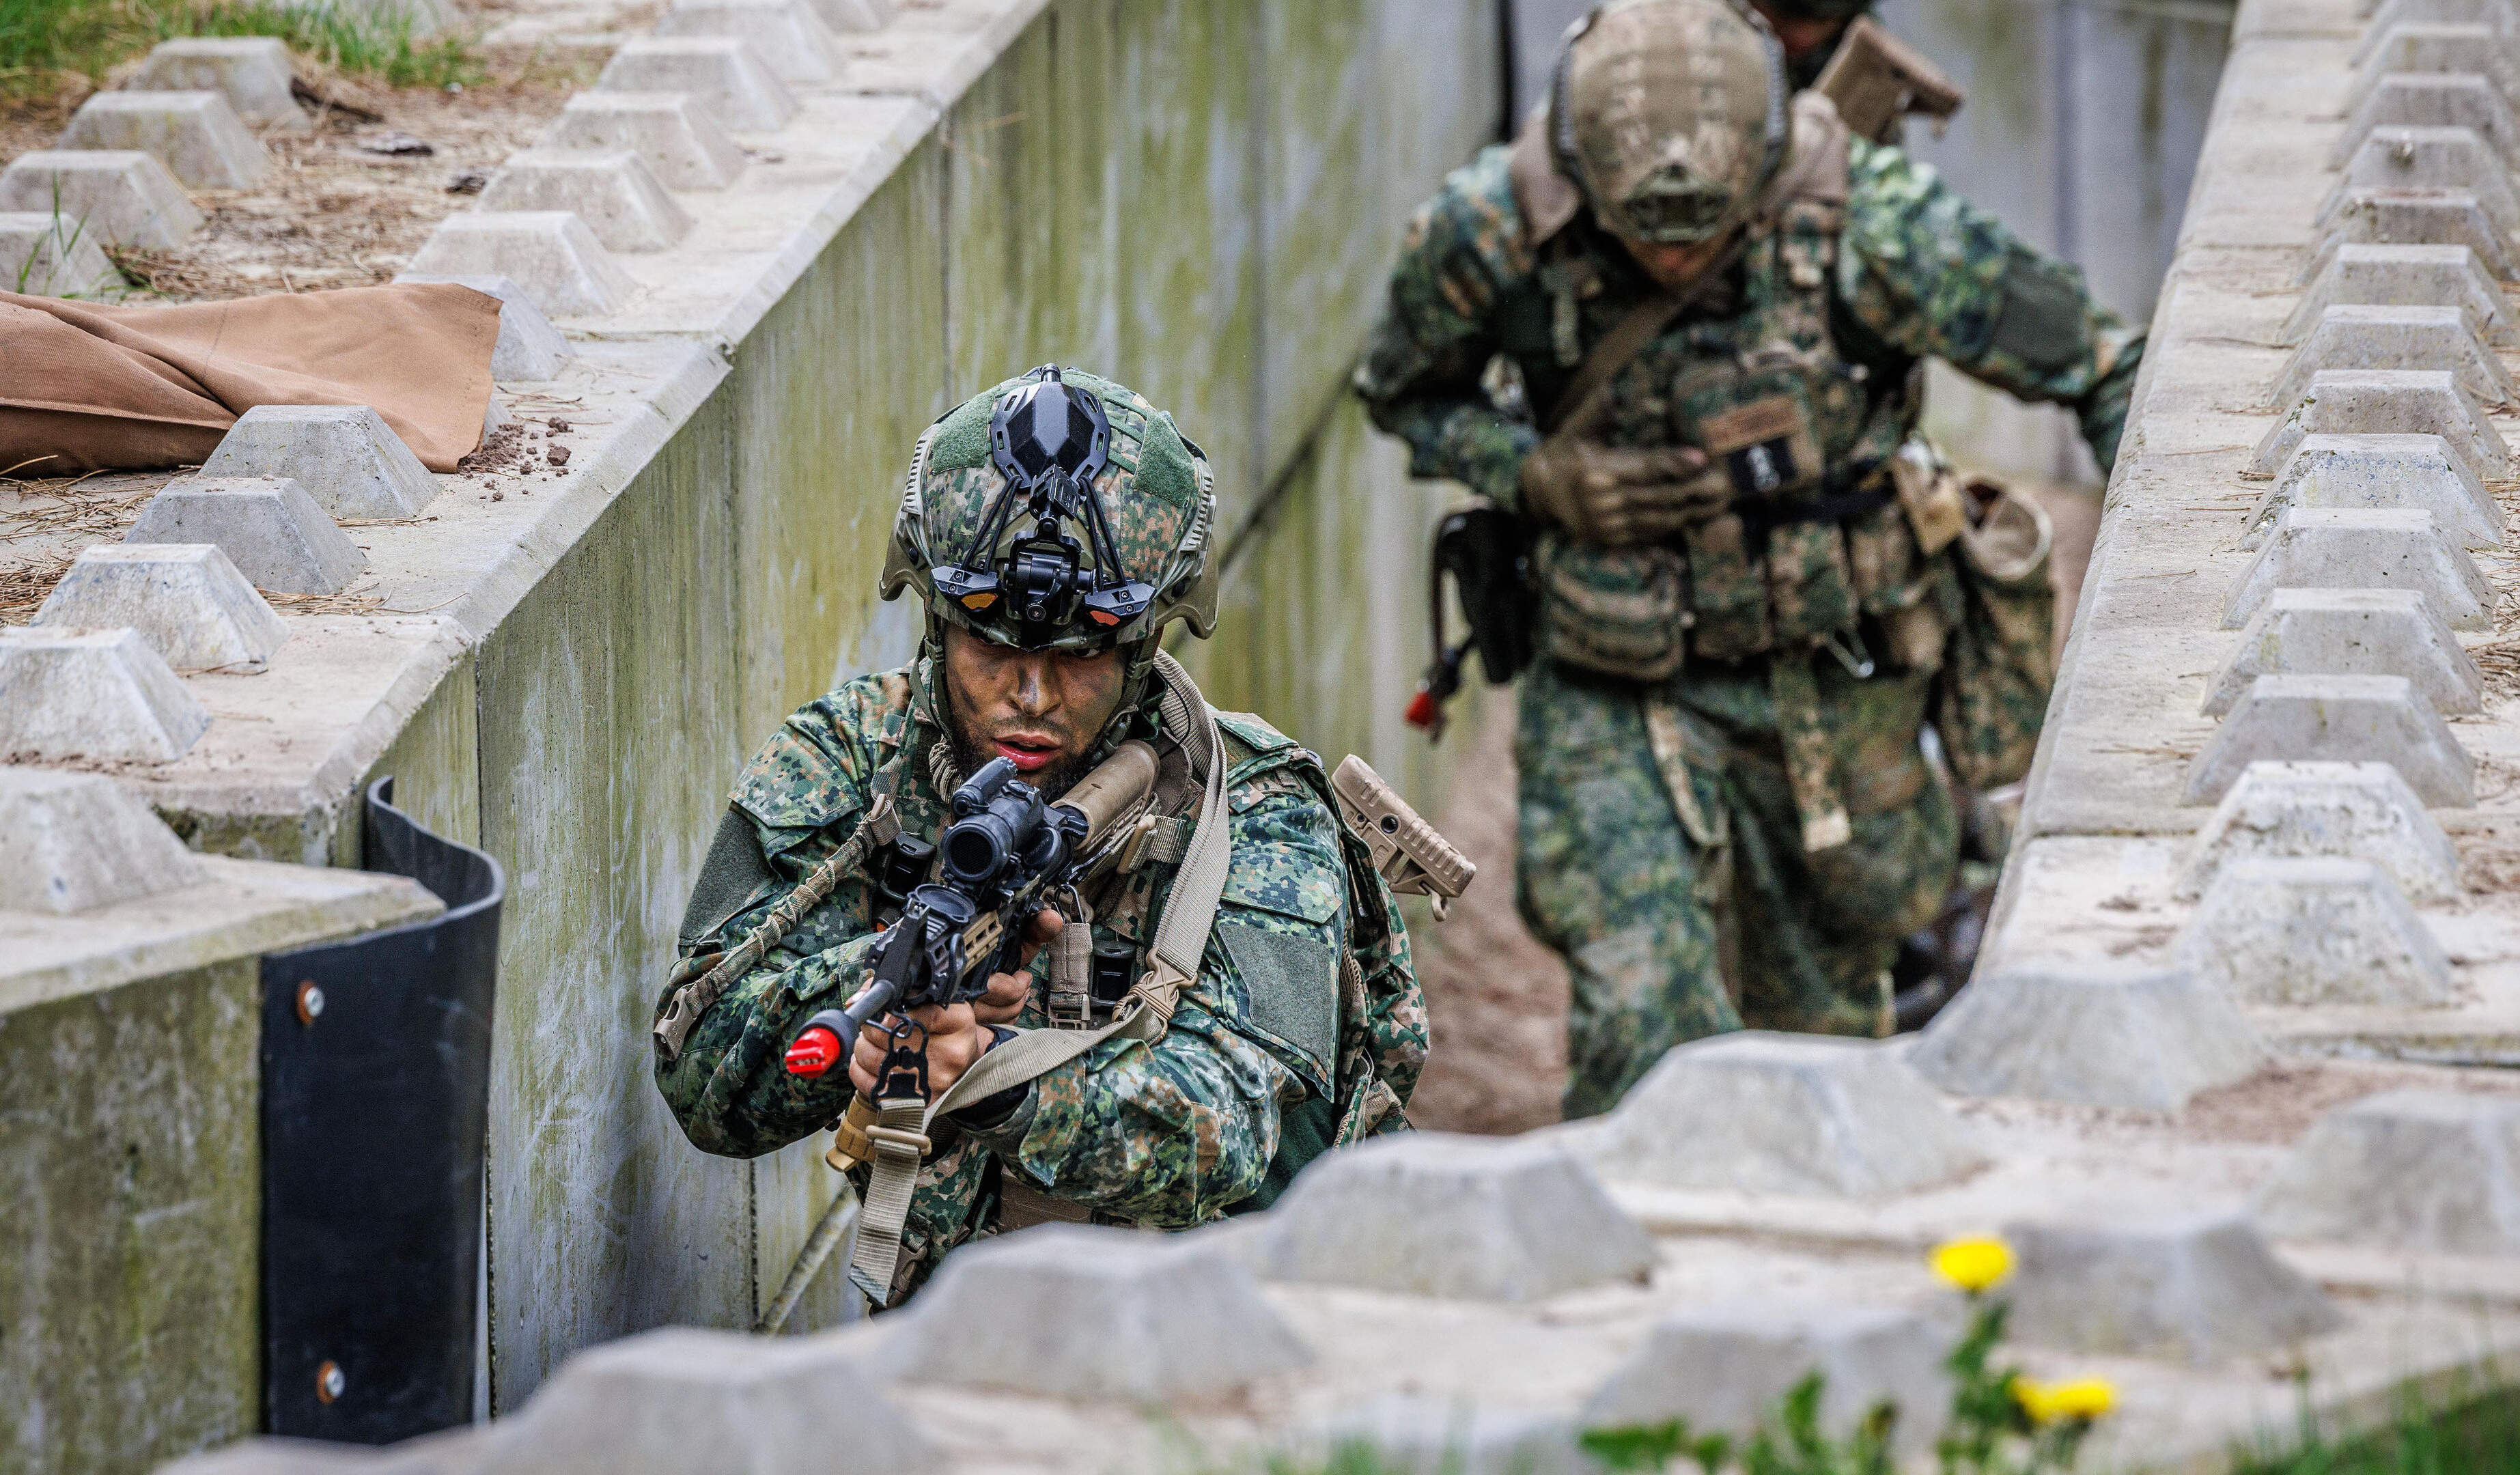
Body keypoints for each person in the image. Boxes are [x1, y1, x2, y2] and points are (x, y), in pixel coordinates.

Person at [1354, 0, 2140, 1119]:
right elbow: (1401, 392)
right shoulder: (1492, 230)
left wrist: (2169, 616)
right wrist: (1536, 474)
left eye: (1705, 232)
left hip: (1827, 675)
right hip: (1608, 676)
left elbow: (2106, 368)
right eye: (1644, 234)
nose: (1673, 254)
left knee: (1823, 1030)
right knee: (1639, 1013)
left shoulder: (1875, 221)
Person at [653, 367, 1427, 1305]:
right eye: (991, 648)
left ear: (1148, 641)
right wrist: (871, 1000)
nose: (1030, 696)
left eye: (1081, 657)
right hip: (963, 1332)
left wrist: (997, 1077)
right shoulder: (854, 759)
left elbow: (1231, 1130)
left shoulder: (1257, 808)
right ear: (937, 620)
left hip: (1244, 1318)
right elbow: (699, 1076)